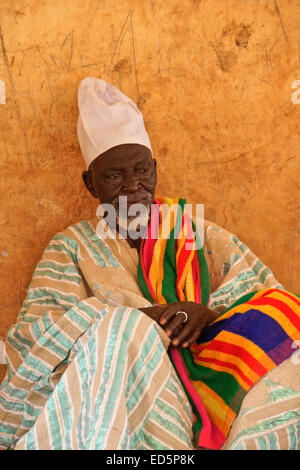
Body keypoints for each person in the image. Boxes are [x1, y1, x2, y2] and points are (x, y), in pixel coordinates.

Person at [0, 78, 299, 450]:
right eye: (113, 175)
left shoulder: (196, 232)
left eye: (142, 170)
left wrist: (205, 314)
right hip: (132, 388)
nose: (133, 186)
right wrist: (147, 318)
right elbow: (32, 338)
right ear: (90, 184)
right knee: (123, 328)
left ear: (155, 168)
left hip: (210, 380)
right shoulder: (71, 248)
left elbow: (264, 297)